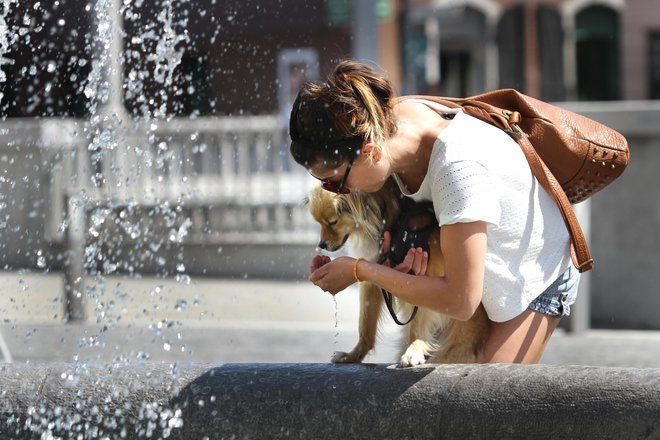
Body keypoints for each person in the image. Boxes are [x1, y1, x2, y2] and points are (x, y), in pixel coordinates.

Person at [288, 59, 579, 364]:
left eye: (336, 184)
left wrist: (361, 270)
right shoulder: (385, 122)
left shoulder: (456, 168)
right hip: (479, 266)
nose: (342, 194)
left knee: (485, 400)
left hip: (535, 272)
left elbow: (460, 300)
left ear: (369, 153)